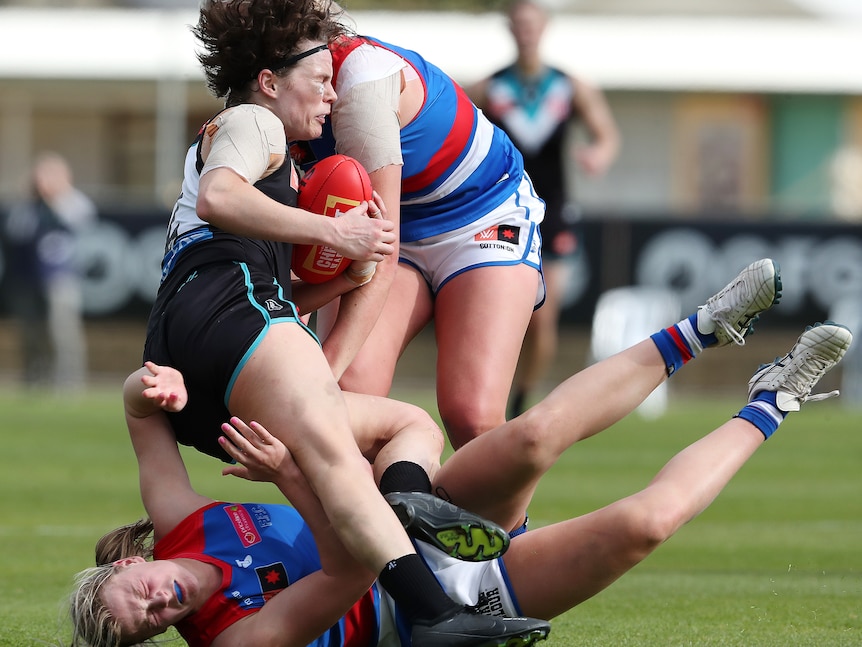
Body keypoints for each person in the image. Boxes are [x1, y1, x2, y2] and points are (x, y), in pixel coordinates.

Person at [68, 259, 853, 647]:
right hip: (420, 616)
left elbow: (138, 414)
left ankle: (707, 327)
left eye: (135, 600)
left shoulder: (179, 521)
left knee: (531, 435)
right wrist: (290, 476)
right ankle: (774, 397)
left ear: (128, 567)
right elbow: (347, 569)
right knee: (646, 523)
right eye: (146, 630)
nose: (157, 611)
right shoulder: (232, 638)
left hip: (414, 528)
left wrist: (153, 387)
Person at [140, 1, 542, 643]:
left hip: (203, 340)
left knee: (402, 424)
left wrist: (337, 280)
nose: (330, 92)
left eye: (335, 77)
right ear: (270, 81)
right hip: (225, 317)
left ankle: (408, 503)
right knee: (334, 455)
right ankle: (434, 611)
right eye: (317, 77)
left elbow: (258, 270)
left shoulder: (278, 155)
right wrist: (337, 232)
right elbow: (221, 197)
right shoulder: (252, 121)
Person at [293, 13, 547, 451]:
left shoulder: (360, 86)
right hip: (389, 224)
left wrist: (316, 384)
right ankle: (388, 517)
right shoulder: (254, 107)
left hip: (479, 213)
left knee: (473, 415)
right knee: (351, 400)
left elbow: (380, 246)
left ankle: (511, 524)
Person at [466, 0, 621, 418]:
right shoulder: (488, 86)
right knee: (500, 311)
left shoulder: (570, 86)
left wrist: (598, 155)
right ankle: (492, 390)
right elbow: (458, 133)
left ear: (545, 27)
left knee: (541, 316)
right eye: (519, 24)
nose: (526, 31)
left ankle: (521, 397)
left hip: (553, 211)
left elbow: (606, 135)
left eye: (533, 24)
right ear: (511, 30)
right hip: (502, 208)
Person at [1, 152, 96, 390]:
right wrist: (31, 197)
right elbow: (15, 229)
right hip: (26, 278)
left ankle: (68, 381)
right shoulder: (27, 207)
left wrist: (56, 195)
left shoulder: (72, 201)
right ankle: (35, 377)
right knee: (30, 331)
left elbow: (83, 219)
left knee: (62, 331)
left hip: (60, 276)